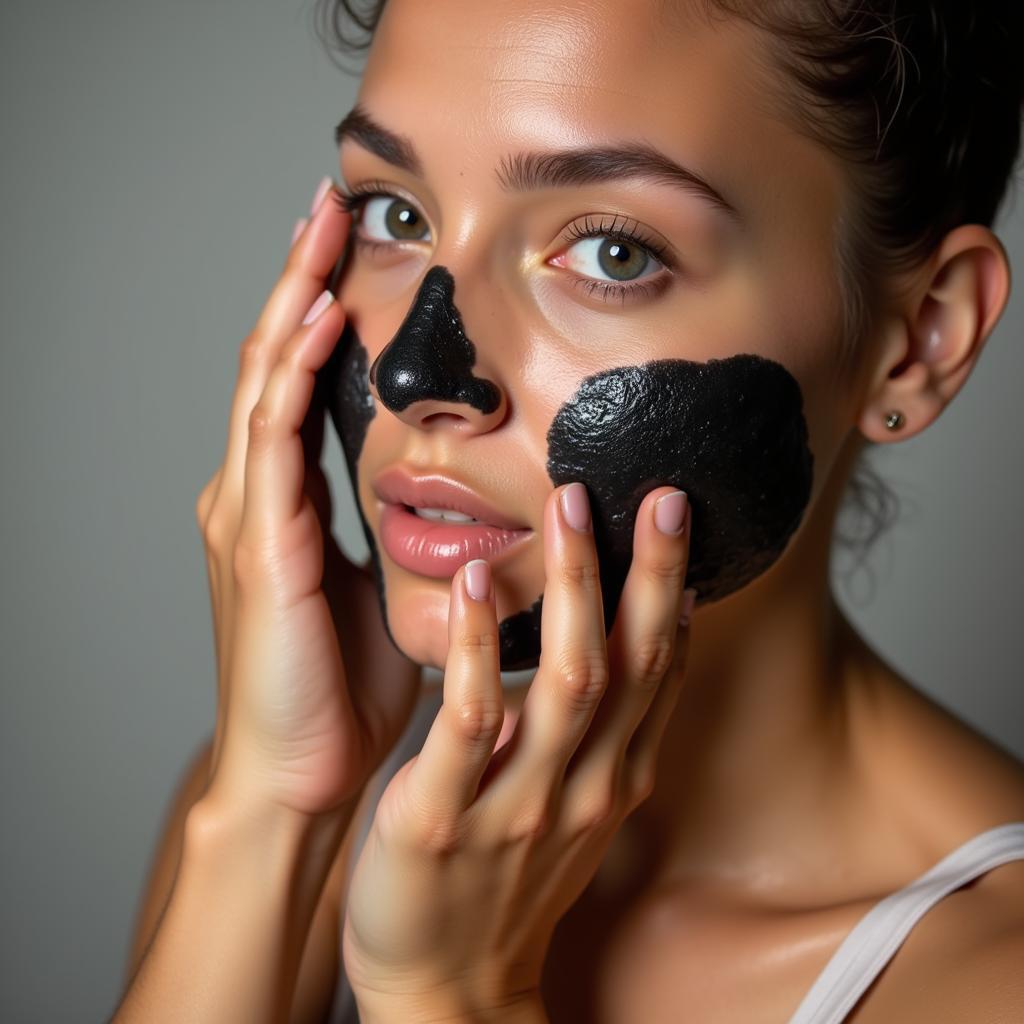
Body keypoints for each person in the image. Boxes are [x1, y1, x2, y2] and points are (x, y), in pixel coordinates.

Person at [114, 1, 1024, 1021]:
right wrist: (272, 820)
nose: (419, 369)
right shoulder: (308, 796)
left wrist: (448, 994)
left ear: (922, 339)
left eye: (611, 254)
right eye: (396, 216)